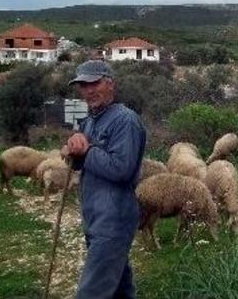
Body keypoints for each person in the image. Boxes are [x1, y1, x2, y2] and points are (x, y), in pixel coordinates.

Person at [65, 59, 146, 298]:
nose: (89, 91)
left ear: (110, 84)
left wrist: (86, 151)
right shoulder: (90, 121)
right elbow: (82, 162)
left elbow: (121, 169)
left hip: (113, 221)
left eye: (95, 83)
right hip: (95, 219)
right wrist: (72, 150)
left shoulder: (125, 120)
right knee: (120, 291)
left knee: (91, 293)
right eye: (83, 85)